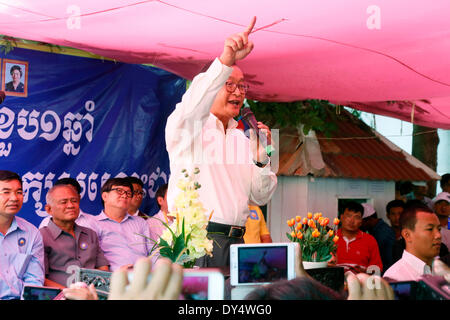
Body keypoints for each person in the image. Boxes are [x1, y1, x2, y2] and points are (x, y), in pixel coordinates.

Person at [165, 17, 277, 268]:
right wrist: (226, 61)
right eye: (229, 85)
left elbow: (260, 197)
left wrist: (262, 159)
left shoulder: (242, 137)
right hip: (195, 241)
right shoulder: (187, 128)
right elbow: (193, 105)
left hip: (237, 241)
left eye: (242, 87)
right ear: (211, 86)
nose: (238, 92)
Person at [40, 184, 109, 288]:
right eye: (64, 202)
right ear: (49, 209)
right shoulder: (41, 236)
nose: (71, 205)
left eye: (74, 201)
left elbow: (102, 267)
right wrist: (69, 294)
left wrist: (99, 289)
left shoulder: (90, 234)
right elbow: (40, 277)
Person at [91, 178, 153, 271]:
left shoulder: (141, 222)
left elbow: (154, 252)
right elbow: (92, 259)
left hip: (144, 275)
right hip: (114, 277)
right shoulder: (93, 224)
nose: (124, 195)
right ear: (105, 196)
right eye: (119, 191)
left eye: (128, 193)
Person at [0, 170, 44, 300]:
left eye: (19, 192)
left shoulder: (31, 233)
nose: (14, 198)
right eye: (6, 192)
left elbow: (34, 281)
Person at [383, 201, 442, 282]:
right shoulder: (395, 278)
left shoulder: (443, 269)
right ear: (407, 235)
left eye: (439, 229)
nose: (438, 235)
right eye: (430, 229)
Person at [335, 201, 383, 274]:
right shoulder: (330, 237)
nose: (352, 221)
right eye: (349, 216)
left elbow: (377, 268)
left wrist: (365, 271)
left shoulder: (370, 240)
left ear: (361, 221)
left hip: (361, 281)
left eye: (357, 217)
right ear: (341, 218)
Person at [361, 203, 396, 273]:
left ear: (369, 220)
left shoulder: (382, 232)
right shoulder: (376, 230)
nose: (359, 224)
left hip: (387, 272)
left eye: (361, 222)